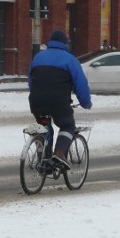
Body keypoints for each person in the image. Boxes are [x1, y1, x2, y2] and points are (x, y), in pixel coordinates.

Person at [28, 29, 92, 171]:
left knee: (45, 126)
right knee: (67, 125)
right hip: (58, 103)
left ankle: (44, 160)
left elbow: (31, 81)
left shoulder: (38, 57)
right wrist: (86, 102)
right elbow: (81, 84)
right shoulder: (70, 59)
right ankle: (59, 153)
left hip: (36, 101)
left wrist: (37, 94)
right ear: (65, 43)